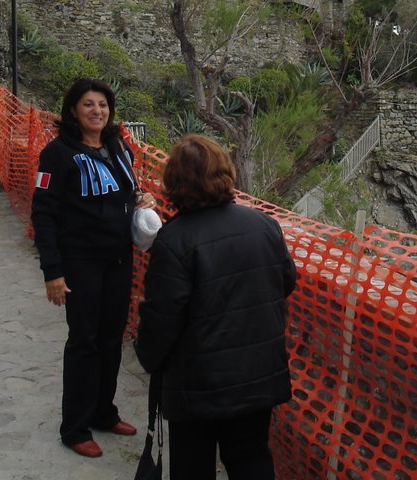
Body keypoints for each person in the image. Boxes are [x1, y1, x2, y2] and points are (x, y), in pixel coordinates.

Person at [135, 134, 297, 480]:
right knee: (252, 457)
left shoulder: (175, 240)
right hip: (257, 372)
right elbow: (285, 282)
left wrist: (148, 358)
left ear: (174, 182)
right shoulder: (264, 225)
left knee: (192, 464)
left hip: (198, 382)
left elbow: (161, 319)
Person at [31, 77, 157, 458]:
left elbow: (125, 192)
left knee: (110, 338)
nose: (96, 111)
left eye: (102, 104)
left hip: (118, 259)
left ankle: (105, 411)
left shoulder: (117, 146)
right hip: (80, 262)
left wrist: (142, 197)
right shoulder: (58, 154)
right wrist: (53, 272)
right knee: (83, 342)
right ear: (73, 109)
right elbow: (44, 213)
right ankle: (75, 427)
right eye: (88, 104)